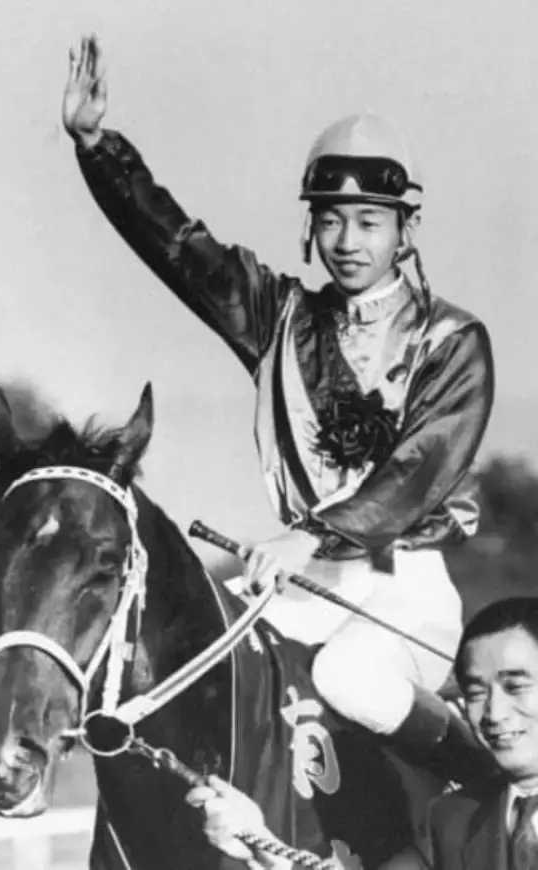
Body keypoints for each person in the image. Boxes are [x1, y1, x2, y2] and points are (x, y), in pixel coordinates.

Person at [61, 35, 495, 779]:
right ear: (310, 226)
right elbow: (180, 249)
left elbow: (415, 472)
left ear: (406, 229)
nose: (347, 241)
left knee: (348, 678)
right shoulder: (277, 317)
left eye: (369, 222)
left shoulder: (454, 340)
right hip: (295, 585)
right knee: (185, 657)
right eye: (330, 220)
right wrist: (98, 148)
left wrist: (311, 536)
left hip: (405, 589)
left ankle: (487, 787)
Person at [186, 596, 538, 870]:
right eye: (476, 693)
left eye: (516, 687)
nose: (494, 713)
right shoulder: (451, 821)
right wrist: (265, 847)